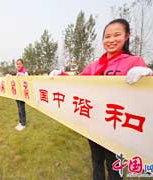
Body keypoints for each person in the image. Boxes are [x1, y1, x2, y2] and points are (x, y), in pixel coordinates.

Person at [50, 18, 152, 180]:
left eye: (117, 35)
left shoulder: (134, 62)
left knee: (114, 166)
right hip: (94, 121)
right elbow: (78, 81)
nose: (111, 40)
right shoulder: (95, 65)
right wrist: (60, 75)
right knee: (96, 162)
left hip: (116, 124)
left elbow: (145, 96)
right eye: (107, 36)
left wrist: (148, 75)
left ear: (126, 36)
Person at [15, 59, 28, 131]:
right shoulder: (17, 72)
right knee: (19, 108)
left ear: (22, 64)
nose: (18, 65)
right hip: (17, 93)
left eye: (19, 64)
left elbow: (27, 77)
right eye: (17, 64)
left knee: (22, 108)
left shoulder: (24, 71)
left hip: (22, 94)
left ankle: (23, 124)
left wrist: (21, 74)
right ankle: (20, 122)